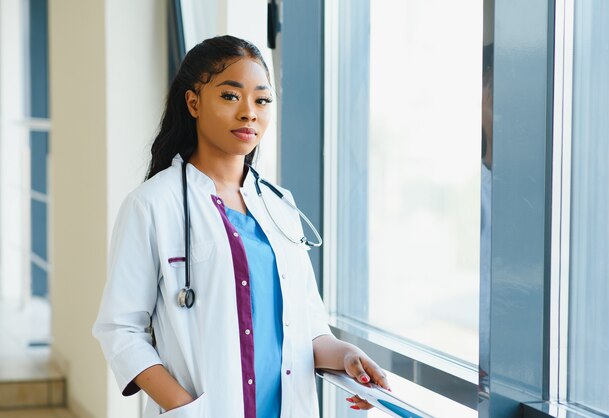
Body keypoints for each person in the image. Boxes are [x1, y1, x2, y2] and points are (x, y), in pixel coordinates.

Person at [92, 35, 389, 418]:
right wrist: (186, 408)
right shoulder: (152, 205)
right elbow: (120, 330)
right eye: (231, 96)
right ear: (194, 102)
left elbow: (308, 330)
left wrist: (350, 356)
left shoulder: (280, 206)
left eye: (262, 100)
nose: (249, 112)